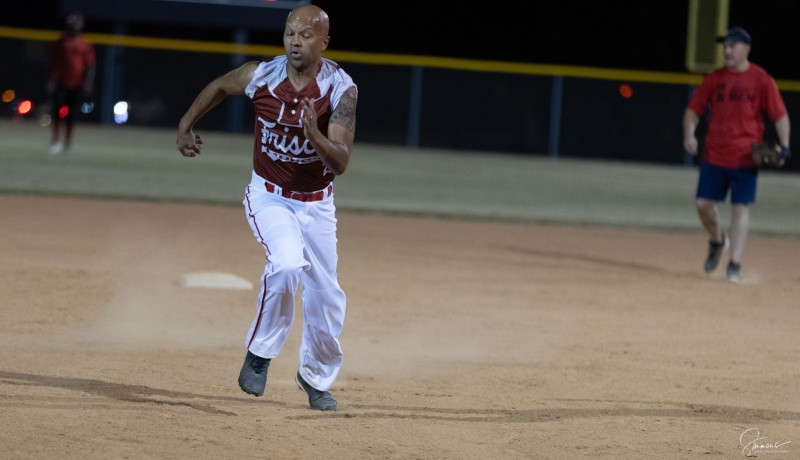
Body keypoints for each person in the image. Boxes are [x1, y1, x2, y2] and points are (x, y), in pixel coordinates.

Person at [176, 4, 357, 411]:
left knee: (327, 296)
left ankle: (316, 380)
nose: (296, 40)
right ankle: (259, 354)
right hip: (269, 195)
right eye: (290, 32)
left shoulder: (339, 88)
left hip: (317, 205)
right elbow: (221, 86)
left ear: (324, 42)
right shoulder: (262, 75)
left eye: (306, 34)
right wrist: (186, 123)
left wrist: (315, 135)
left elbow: (340, 162)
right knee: (287, 264)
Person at [683, 27, 790, 283]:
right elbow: (692, 111)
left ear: (746, 49)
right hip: (714, 154)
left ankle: (735, 264)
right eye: (726, 46)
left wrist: (784, 145)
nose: (727, 50)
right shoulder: (713, 79)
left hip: (745, 156)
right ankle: (718, 240)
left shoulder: (761, 79)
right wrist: (689, 133)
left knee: (740, 209)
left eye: (733, 45)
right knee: (703, 205)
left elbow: (780, 115)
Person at [46, 12, 96, 155]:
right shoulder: (60, 41)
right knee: (57, 112)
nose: (73, 26)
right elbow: (52, 63)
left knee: (72, 114)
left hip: (77, 84)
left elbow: (91, 65)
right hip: (60, 83)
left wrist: (88, 83)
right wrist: (51, 80)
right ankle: (55, 140)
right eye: (71, 24)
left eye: (75, 24)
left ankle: (68, 142)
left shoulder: (85, 43)